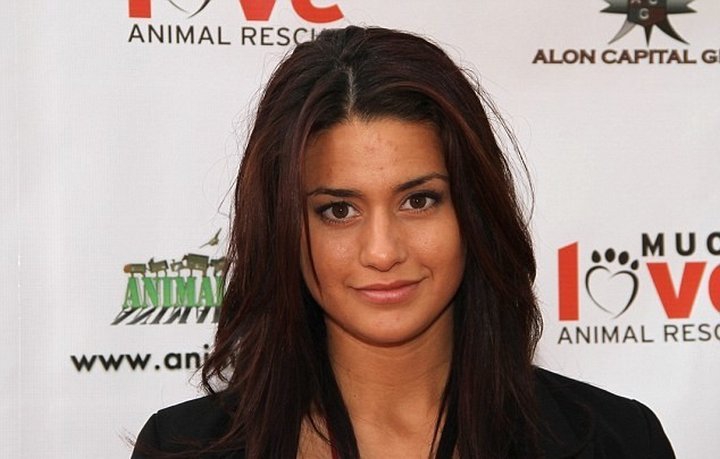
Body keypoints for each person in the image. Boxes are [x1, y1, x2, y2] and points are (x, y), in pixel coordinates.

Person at [132, 26, 675, 458]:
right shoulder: (182, 447)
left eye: (419, 201)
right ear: (284, 230)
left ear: (473, 211)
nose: (382, 251)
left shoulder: (617, 441)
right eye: (338, 210)